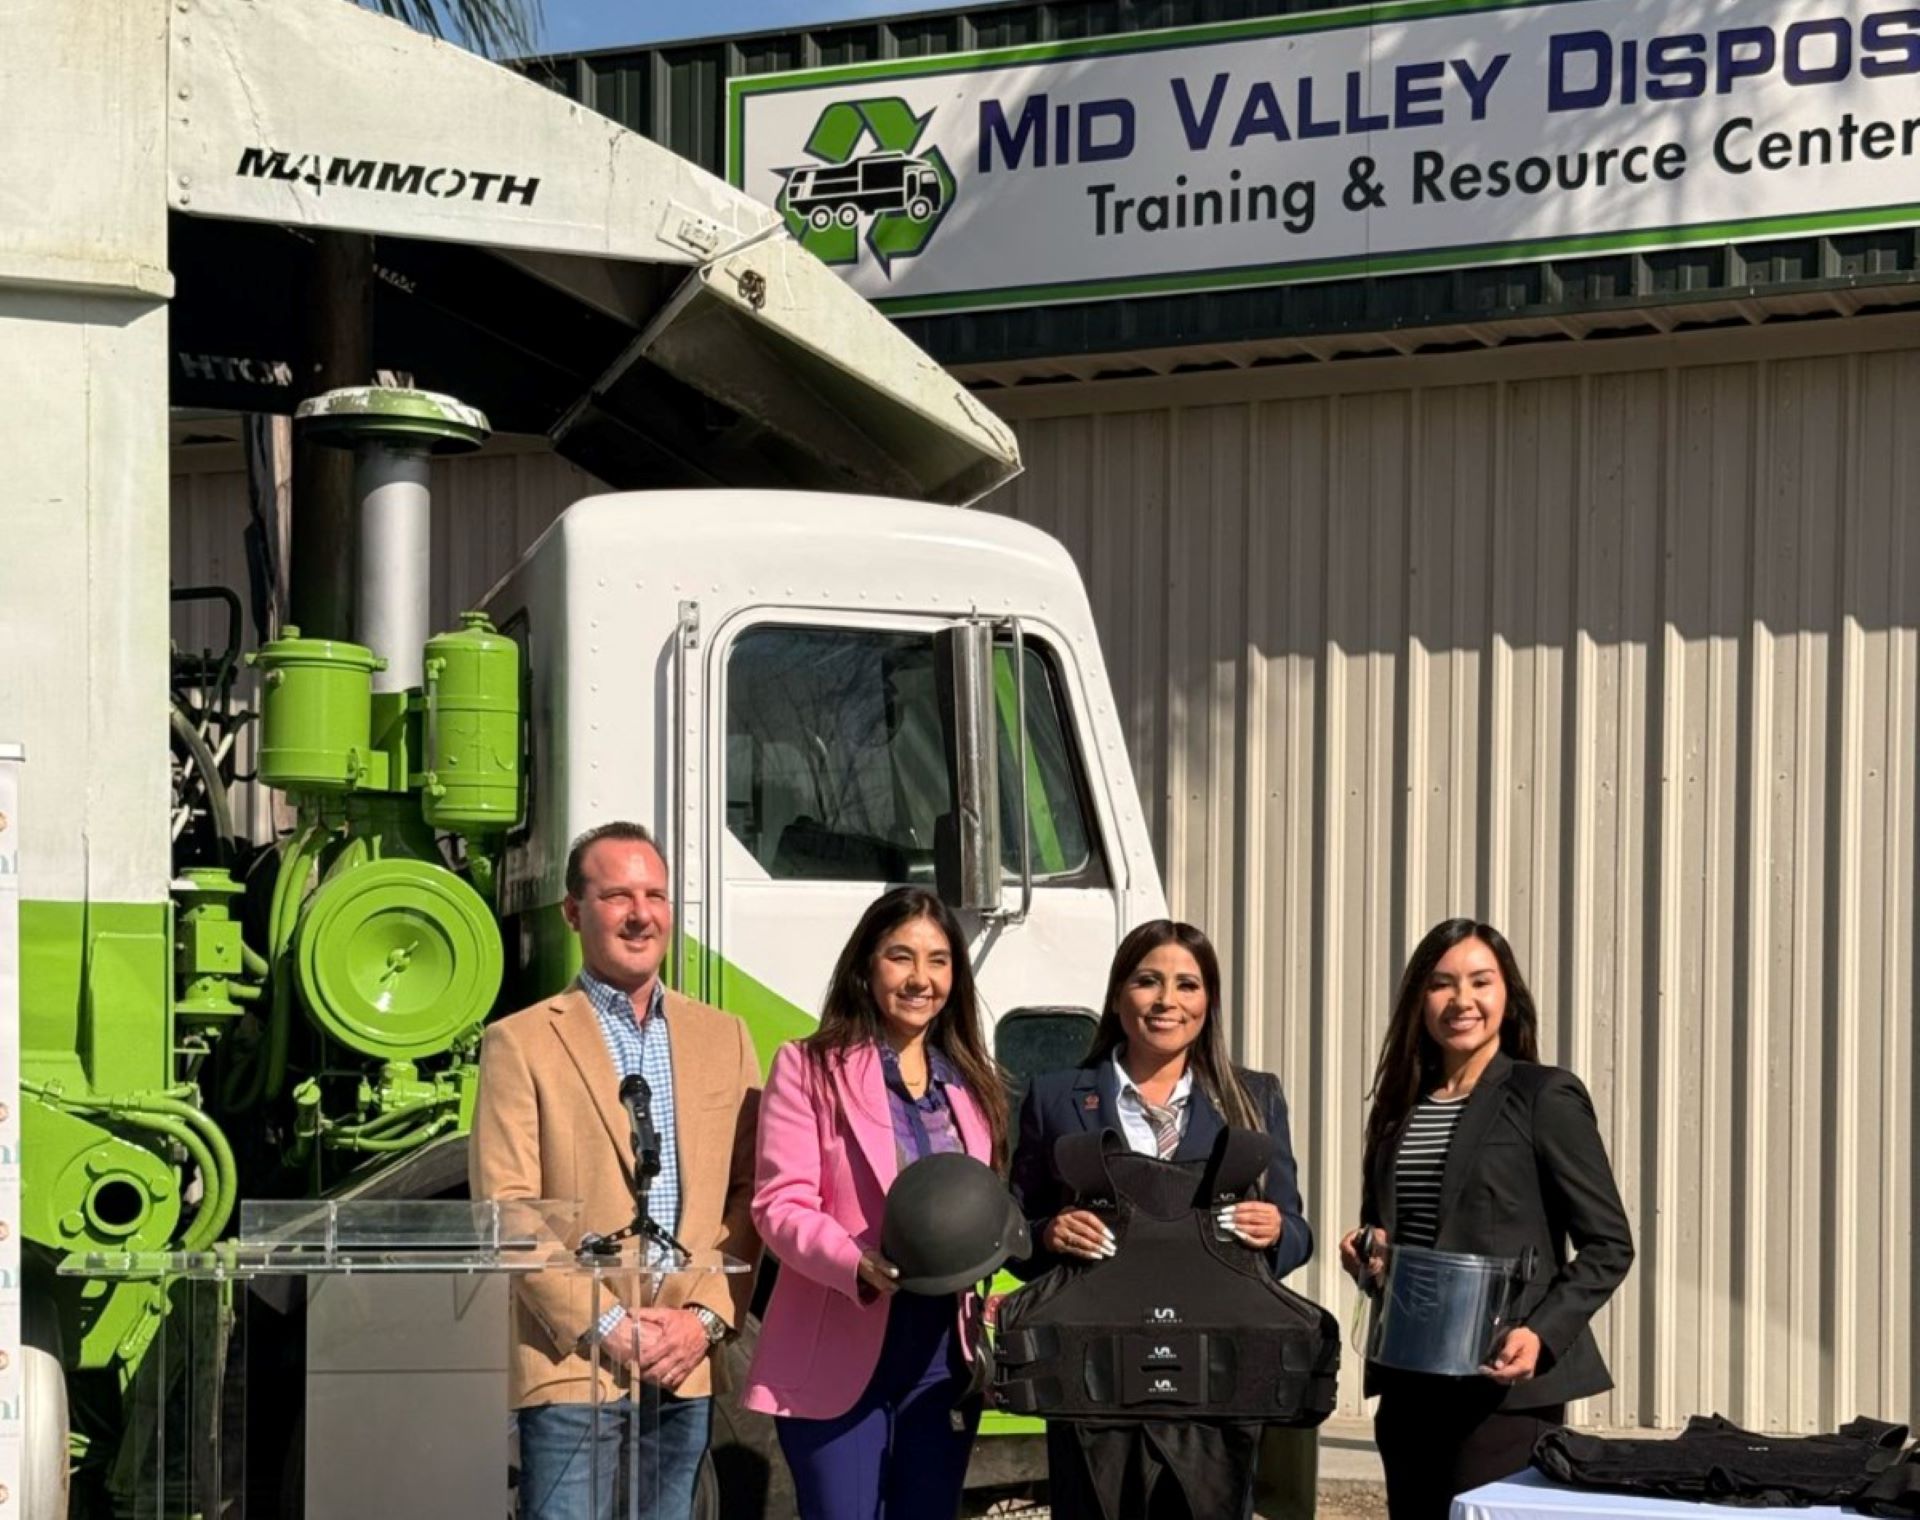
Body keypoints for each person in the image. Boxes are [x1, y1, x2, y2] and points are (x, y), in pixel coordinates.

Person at [470, 822, 761, 1520]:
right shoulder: (520, 1041)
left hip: (684, 1359)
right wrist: (608, 1324)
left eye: (656, 894)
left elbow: (753, 1192)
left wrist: (703, 1319)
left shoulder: (725, 1036)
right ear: (573, 912)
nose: (641, 914)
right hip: (573, 1360)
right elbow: (507, 1208)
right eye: (617, 895)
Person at [1008, 919, 1312, 1519]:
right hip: (1092, 1376)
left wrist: (1276, 1229)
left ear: (1209, 1002)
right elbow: (1017, 1231)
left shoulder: (1253, 1097)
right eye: (1148, 981)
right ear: (1120, 994)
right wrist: (1047, 1232)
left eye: (1188, 985)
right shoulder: (1054, 1095)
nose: (1167, 1000)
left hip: (1215, 1379)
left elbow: (1297, 1234)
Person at [1337, 918, 1634, 1520]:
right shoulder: (1399, 1108)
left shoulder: (1542, 1096)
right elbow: (1398, 1230)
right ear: (1420, 998)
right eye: (1442, 984)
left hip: (1503, 1386)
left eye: (1480, 981)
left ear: (1508, 995)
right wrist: (1369, 1253)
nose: (1462, 1000)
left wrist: (1542, 1333)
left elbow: (1609, 1244)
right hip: (1410, 1382)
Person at [741, 886, 1008, 1520]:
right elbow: (779, 1202)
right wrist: (853, 1260)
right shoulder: (807, 1067)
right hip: (841, 1335)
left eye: (939, 961)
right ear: (866, 966)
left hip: (943, 1353)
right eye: (901, 957)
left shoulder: (972, 1082)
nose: (922, 978)